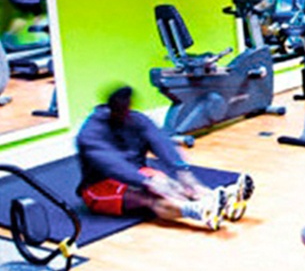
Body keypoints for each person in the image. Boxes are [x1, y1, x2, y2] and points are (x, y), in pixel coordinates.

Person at [76, 86, 254, 230]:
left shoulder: (135, 119)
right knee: (147, 198)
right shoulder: (90, 133)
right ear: (113, 108)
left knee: (173, 186)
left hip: (137, 171)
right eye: (123, 110)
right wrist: (146, 182)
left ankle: (221, 201)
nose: (127, 113)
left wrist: (182, 170)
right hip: (99, 186)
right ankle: (199, 211)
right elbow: (112, 165)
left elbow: (159, 141)